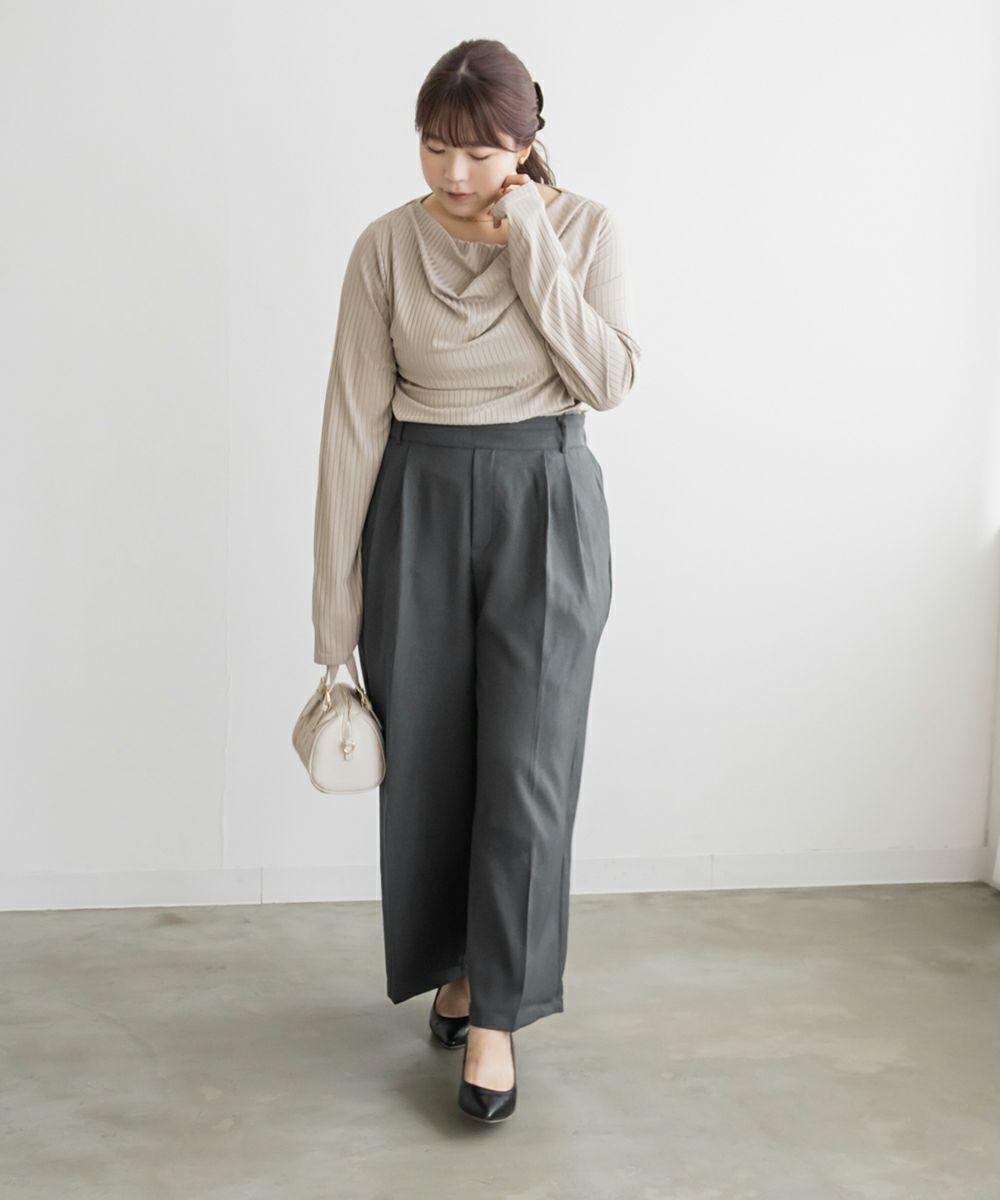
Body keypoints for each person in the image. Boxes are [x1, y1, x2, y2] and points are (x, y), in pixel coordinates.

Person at [311, 37, 640, 1123]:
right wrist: (332, 606)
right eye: (435, 146)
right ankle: (456, 967)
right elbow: (351, 424)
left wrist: (532, 237)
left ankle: (495, 1017)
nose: (455, 174)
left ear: (526, 143)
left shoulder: (585, 228)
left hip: (545, 497)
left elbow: (607, 379)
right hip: (417, 498)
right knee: (431, 766)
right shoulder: (384, 247)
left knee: (528, 767)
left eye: (481, 151)